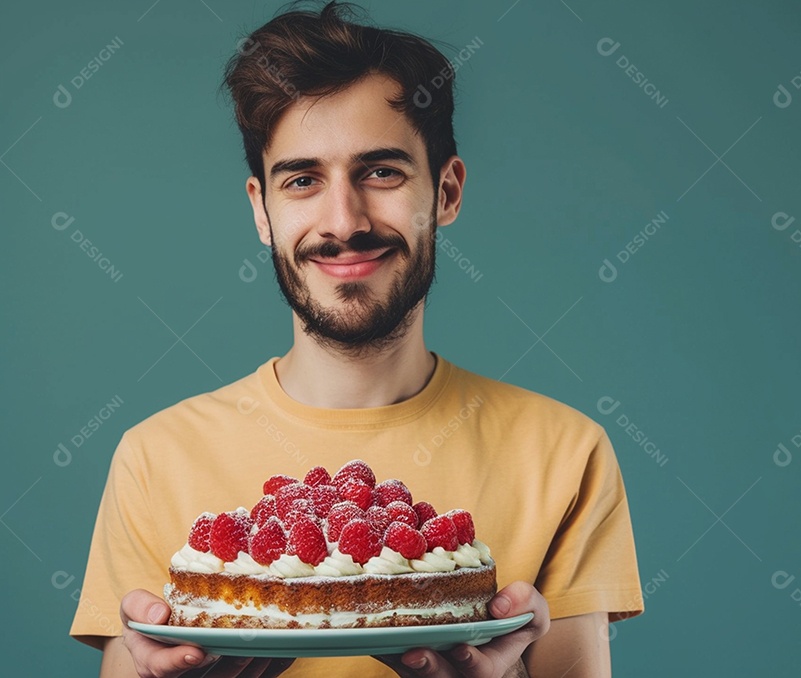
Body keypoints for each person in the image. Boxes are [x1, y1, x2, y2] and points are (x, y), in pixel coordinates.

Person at [68, 2, 643, 676]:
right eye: (302, 180)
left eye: (381, 172)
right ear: (262, 210)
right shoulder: (153, 458)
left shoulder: (566, 454)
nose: (344, 221)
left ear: (447, 192)